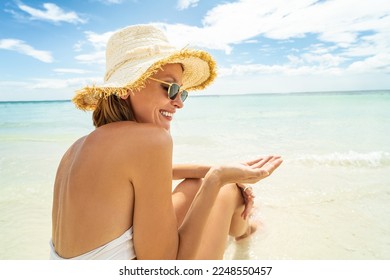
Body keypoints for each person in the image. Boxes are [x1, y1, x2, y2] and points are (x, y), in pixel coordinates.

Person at [50, 24, 282, 260]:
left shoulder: (75, 148)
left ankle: (244, 230)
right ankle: (245, 231)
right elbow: (164, 267)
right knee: (224, 190)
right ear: (126, 88)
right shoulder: (151, 139)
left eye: (182, 93)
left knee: (194, 185)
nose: (179, 102)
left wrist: (213, 170)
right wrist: (217, 177)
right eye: (170, 88)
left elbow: (150, 175)